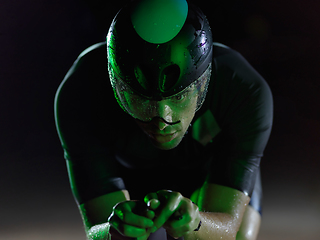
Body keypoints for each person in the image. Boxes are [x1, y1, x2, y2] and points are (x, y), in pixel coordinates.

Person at [54, 0, 273, 240]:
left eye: (179, 96)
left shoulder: (241, 90)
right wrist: (113, 231)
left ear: (204, 83)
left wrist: (197, 225)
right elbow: (97, 229)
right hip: (134, 177)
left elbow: (228, 229)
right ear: (116, 85)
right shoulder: (81, 91)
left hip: (210, 172)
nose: (162, 120)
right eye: (140, 98)